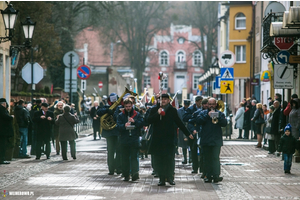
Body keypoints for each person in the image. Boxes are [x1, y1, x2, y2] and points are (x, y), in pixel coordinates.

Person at [148, 93, 194, 186]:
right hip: (158, 139)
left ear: (169, 100)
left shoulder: (172, 110)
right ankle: (161, 178)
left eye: (165, 99)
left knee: (169, 159)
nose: (163, 101)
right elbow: (148, 120)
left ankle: (170, 177)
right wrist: (157, 113)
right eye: (162, 99)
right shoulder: (154, 109)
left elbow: (179, 122)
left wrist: (188, 133)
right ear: (159, 100)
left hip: (169, 139)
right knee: (160, 160)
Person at [195, 98, 227, 183]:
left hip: (216, 140)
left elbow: (224, 123)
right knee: (207, 159)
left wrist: (218, 117)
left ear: (216, 104)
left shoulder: (220, 113)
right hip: (206, 140)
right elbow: (198, 121)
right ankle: (208, 176)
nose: (211, 106)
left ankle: (216, 175)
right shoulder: (203, 113)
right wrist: (207, 116)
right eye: (210, 104)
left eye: (213, 104)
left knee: (215, 158)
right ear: (207, 105)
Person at [117, 98, 143, 181]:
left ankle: (135, 173)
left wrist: (134, 121)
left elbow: (141, 123)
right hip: (124, 139)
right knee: (124, 158)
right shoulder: (121, 115)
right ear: (124, 106)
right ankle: (126, 174)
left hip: (134, 139)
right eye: (126, 106)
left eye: (129, 106)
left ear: (132, 105)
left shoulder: (137, 114)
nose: (128, 108)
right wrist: (124, 126)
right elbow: (118, 126)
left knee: (134, 157)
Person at [97, 93, 121, 175]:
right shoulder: (106, 107)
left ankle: (118, 168)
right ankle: (111, 169)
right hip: (109, 133)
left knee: (119, 151)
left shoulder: (120, 107)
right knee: (110, 152)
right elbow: (99, 112)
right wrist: (107, 110)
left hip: (118, 132)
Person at [0, 98, 14, 164]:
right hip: (3, 131)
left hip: (2, 131)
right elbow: (6, 117)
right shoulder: (2, 110)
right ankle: (2, 159)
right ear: (4, 104)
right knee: (3, 145)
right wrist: (11, 117)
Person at [177, 99, 191, 164]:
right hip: (182, 129)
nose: (187, 106)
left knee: (190, 144)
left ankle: (190, 158)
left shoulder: (191, 110)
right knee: (183, 145)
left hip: (189, 128)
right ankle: (185, 158)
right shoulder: (179, 111)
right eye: (185, 105)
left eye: (188, 105)